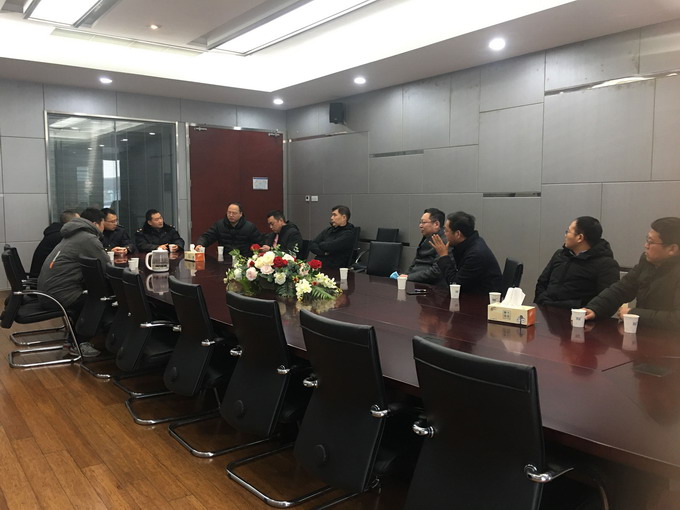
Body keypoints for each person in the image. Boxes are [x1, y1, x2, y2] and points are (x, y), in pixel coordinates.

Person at [37, 207, 110, 357]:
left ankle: (73, 340)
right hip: (57, 295)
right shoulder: (87, 238)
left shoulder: (73, 235)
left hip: (47, 291)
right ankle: (79, 343)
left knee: (93, 295)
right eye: (104, 223)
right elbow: (106, 267)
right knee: (100, 300)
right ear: (96, 224)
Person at [584, 217, 680, 330]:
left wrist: (633, 314)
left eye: (650, 242)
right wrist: (594, 308)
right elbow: (621, 289)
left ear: (672, 249)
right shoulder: (647, 262)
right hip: (643, 333)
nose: (646, 245)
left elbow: (676, 319)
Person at [534, 216, 619, 308]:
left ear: (580, 237)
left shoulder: (606, 264)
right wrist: (541, 300)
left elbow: (606, 300)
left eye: (568, 232)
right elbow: (542, 282)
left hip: (576, 314)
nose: (566, 235)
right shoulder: (560, 255)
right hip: (546, 309)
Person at [430, 211, 502, 294]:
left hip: (482, 299)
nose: (444, 234)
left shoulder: (475, 254)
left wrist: (443, 256)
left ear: (458, 234)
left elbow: (456, 285)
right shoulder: (472, 243)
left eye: (446, 231)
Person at [195, 202, 261, 256]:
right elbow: (207, 236)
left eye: (234, 213)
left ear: (241, 214)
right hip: (224, 258)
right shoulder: (219, 225)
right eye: (229, 212)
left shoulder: (249, 227)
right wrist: (200, 244)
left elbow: (259, 242)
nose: (231, 215)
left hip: (244, 258)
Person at [29, 209, 79, 278]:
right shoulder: (61, 237)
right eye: (79, 222)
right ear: (71, 223)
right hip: (44, 279)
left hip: (42, 276)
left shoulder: (55, 233)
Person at [407, 208, 446, 285]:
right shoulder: (426, 238)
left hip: (431, 286)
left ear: (436, 224)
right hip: (415, 280)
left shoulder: (443, 241)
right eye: (420, 222)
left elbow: (436, 271)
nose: (420, 225)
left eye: (423, 222)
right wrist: (405, 276)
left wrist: (408, 277)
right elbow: (415, 262)